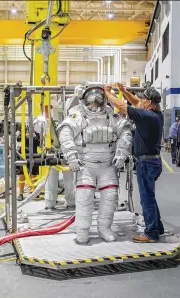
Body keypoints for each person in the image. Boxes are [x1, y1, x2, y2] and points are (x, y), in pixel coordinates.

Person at [57, 84, 132, 244]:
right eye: (91, 103)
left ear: (104, 101)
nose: (94, 107)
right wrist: (71, 155)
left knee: (110, 197)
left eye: (98, 103)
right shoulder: (77, 115)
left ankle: (104, 228)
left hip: (107, 166)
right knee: (85, 198)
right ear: (84, 101)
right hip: (86, 166)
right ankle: (82, 231)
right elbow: (65, 132)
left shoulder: (111, 115)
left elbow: (125, 130)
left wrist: (121, 152)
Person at [107, 82, 165, 243]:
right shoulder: (156, 114)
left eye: (144, 99)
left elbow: (121, 106)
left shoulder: (146, 116)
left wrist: (107, 93)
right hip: (153, 161)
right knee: (150, 197)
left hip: (146, 164)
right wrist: (123, 91)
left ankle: (151, 233)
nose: (141, 100)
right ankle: (157, 227)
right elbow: (136, 103)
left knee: (146, 198)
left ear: (148, 102)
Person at [16, 126, 41, 201]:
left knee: (34, 174)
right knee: (22, 174)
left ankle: (35, 192)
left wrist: (35, 137)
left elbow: (40, 144)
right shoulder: (23, 130)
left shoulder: (37, 133)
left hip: (34, 155)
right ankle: (20, 193)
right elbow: (18, 139)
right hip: (23, 155)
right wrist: (25, 136)